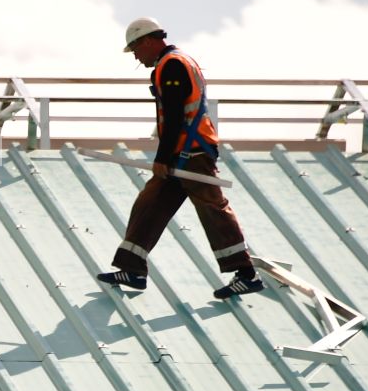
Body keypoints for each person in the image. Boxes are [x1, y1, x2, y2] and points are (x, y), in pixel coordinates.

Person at [95, 18, 264, 299]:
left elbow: (174, 114)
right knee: (149, 204)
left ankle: (246, 274)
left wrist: (163, 157)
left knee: (213, 209)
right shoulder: (176, 63)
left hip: (191, 153)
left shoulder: (171, 65)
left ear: (148, 41)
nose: (136, 57)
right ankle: (132, 269)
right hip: (184, 152)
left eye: (136, 49)